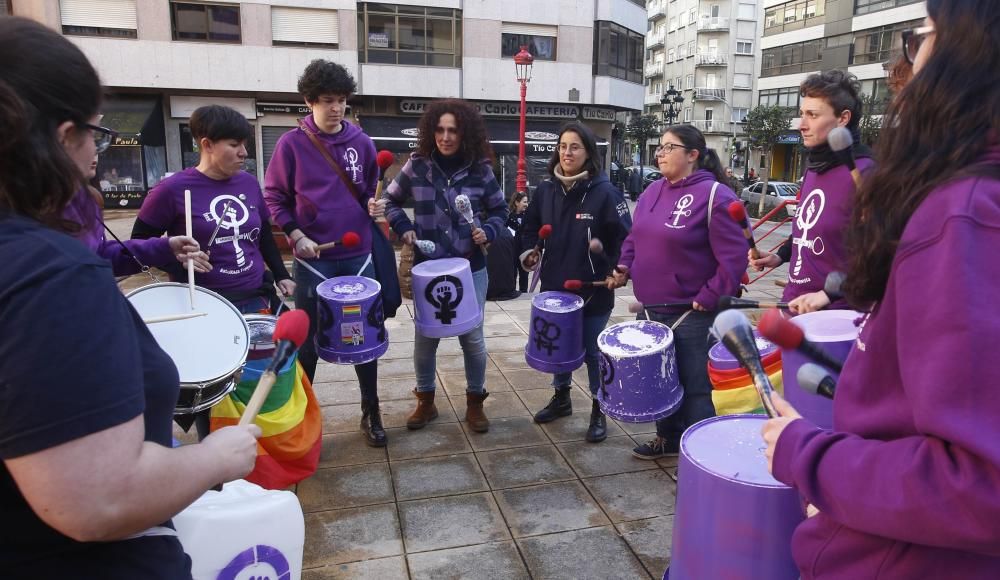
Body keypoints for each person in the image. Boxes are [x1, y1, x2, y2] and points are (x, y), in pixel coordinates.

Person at [0, 17, 260, 578]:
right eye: (95, 130)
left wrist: (162, 248)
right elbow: (96, 501)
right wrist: (213, 457)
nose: (99, 145)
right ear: (63, 135)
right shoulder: (48, 272)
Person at [763, 1, 1000, 576]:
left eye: (923, 35)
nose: (908, 61)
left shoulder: (963, 215)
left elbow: (978, 486)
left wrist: (809, 454)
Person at [263, 60, 387, 447]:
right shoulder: (291, 145)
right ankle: (302, 421)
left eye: (342, 100)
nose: (336, 108)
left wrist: (374, 206)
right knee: (309, 342)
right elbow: (274, 197)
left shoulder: (362, 142)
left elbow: (369, 188)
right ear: (309, 101)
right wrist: (295, 234)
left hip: (358, 254)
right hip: (312, 259)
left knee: (363, 337)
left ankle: (371, 411)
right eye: (328, 101)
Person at [610, 125, 746, 459]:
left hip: (693, 313)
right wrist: (624, 266)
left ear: (692, 154)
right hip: (651, 307)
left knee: (697, 387)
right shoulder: (653, 190)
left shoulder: (716, 196)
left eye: (669, 147)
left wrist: (710, 295)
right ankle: (667, 438)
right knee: (662, 382)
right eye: (659, 147)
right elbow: (635, 237)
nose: (660, 153)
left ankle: (703, 453)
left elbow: (734, 259)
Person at [384, 99, 509, 433]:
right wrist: (403, 227)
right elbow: (390, 201)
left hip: (471, 267)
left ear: (464, 132)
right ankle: (425, 403)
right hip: (428, 267)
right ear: (431, 132)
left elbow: (501, 211)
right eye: (439, 129)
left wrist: (490, 230)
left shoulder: (481, 170)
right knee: (426, 338)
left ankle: (475, 403)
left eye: (453, 130)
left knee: (473, 339)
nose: (446, 136)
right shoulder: (416, 166)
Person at [520, 122, 629, 442]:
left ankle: (599, 406)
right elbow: (530, 229)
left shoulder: (605, 192)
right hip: (555, 286)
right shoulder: (546, 189)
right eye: (563, 146)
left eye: (575, 147)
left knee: (594, 353)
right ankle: (562, 397)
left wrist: (619, 269)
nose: (567, 153)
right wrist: (531, 252)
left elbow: (626, 239)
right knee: (560, 348)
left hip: (593, 289)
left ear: (588, 152)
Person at [748, 70, 874, 314]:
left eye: (812, 115)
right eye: (802, 114)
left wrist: (827, 295)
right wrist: (780, 256)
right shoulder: (815, 167)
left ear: (843, 118)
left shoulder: (866, 173)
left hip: (841, 315)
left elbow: (880, 254)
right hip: (795, 303)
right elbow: (807, 228)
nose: (802, 125)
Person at [63, 151, 208, 277]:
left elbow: (100, 254)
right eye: (90, 135)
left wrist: (166, 247)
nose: (95, 150)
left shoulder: (87, 198)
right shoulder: (49, 211)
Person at [507, 191, 529, 293]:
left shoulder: (528, 216)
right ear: (516, 203)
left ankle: (523, 293)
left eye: (527, 202)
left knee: (524, 274)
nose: (526, 204)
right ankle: (512, 292)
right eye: (524, 201)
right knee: (512, 274)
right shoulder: (508, 217)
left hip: (524, 250)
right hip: (512, 250)